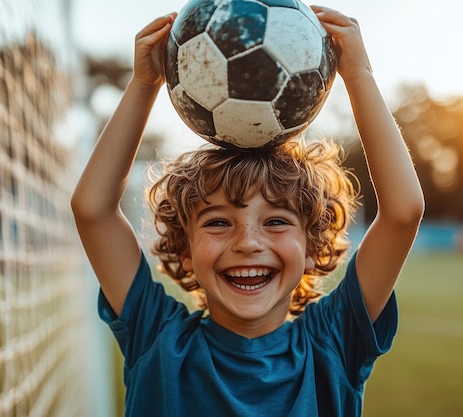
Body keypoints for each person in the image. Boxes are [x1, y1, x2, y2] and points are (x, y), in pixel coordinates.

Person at [71, 5, 424, 417]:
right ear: (184, 247)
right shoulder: (158, 339)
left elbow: (403, 212)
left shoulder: (333, 343)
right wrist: (144, 84)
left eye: (276, 221)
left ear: (313, 246)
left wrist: (359, 75)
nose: (247, 243)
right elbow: (92, 210)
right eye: (219, 222)